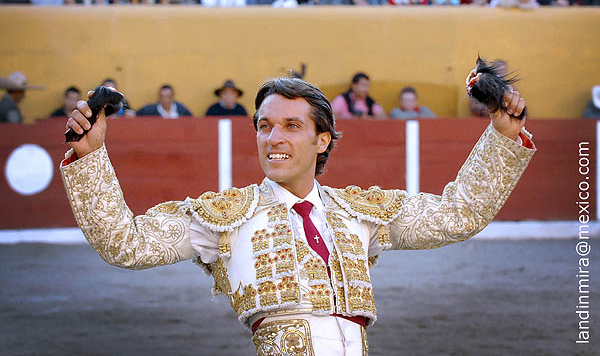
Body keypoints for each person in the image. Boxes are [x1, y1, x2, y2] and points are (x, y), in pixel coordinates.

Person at [61, 74, 535, 355]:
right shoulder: (225, 216)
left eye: (292, 126)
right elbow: (125, 243)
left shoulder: (360, 213)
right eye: (264, 126)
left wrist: (502, 136)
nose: (274, 138)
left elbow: (459, 214)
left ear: (321, 139)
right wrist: (90, 157)